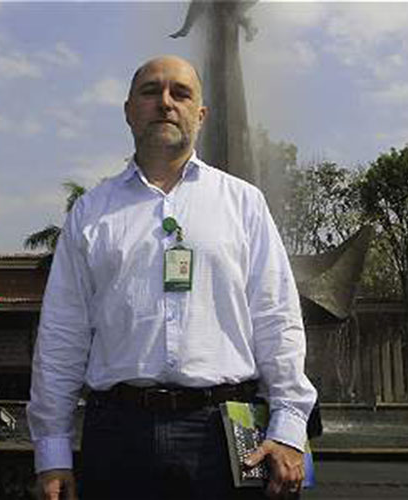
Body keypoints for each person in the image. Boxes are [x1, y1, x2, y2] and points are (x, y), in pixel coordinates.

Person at [27, 55, 317, 500]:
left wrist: (289, 427)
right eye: (151, 92)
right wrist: (52, 453)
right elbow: (62, 334)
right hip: (116, 434)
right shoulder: (91, 211)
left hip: (226, 434)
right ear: (129, 111)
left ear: (200, 114)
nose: (165, 102)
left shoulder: (244, 204)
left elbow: (277, 317)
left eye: (180, 93)